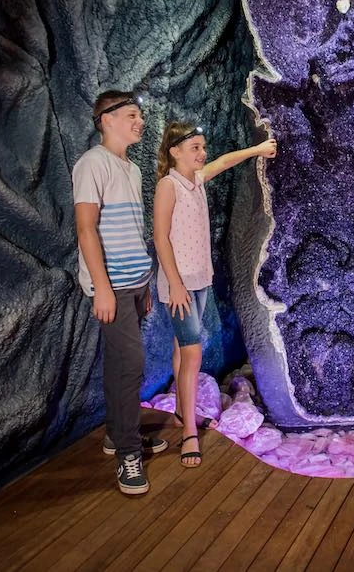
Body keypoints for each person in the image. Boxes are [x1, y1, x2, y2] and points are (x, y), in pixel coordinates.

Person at [153, 122, 277, 467]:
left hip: (200, 280)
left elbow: (222, 163)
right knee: (192, 354)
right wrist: (175, 283)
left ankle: (181, 408)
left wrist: (257, 151)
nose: (202, 153)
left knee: (182, 349)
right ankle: (189, 432)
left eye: (202, 147)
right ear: (174, 151)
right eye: (194, 147)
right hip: (179, 286)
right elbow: (160, 237)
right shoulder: (168, 185)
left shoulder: (194, 180)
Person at [73, 90, 168, 496]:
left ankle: (117, 434)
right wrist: (102, 289)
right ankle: (129, 453)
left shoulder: (130, 168)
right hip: (110, 286)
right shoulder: (91, 164)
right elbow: (85, 229)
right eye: (132, 114)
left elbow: (132, 230)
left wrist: (144, 283)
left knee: (118, 365)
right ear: (105, 119)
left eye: (139, 116)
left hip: (134, 283)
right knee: (131, 365)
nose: (139, 122)